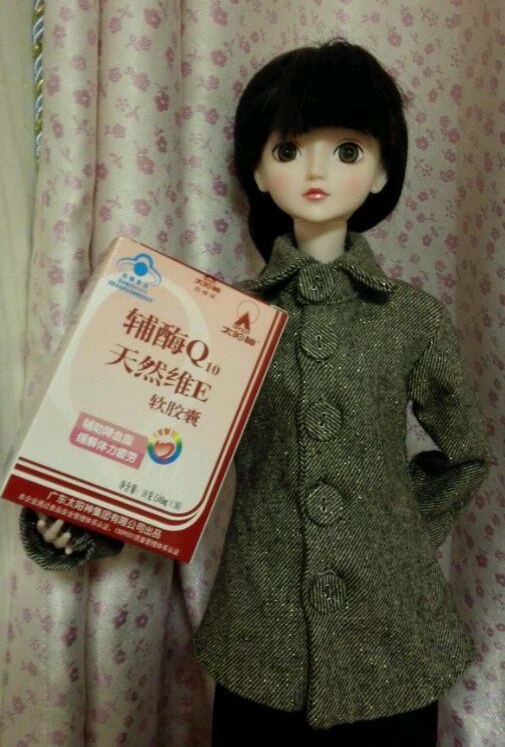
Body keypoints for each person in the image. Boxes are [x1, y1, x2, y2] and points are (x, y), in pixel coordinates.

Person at [22, 40, 488, 746]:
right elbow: (154, 441)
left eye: (347, 151)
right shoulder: (216, 318)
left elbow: (464, 454)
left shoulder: (411, 319)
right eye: (289, 149)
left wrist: (396, 538)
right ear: (259, 173)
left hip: (392, 634)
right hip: (261, 627)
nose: (315, 172)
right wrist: (79, 514)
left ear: (382, 170)